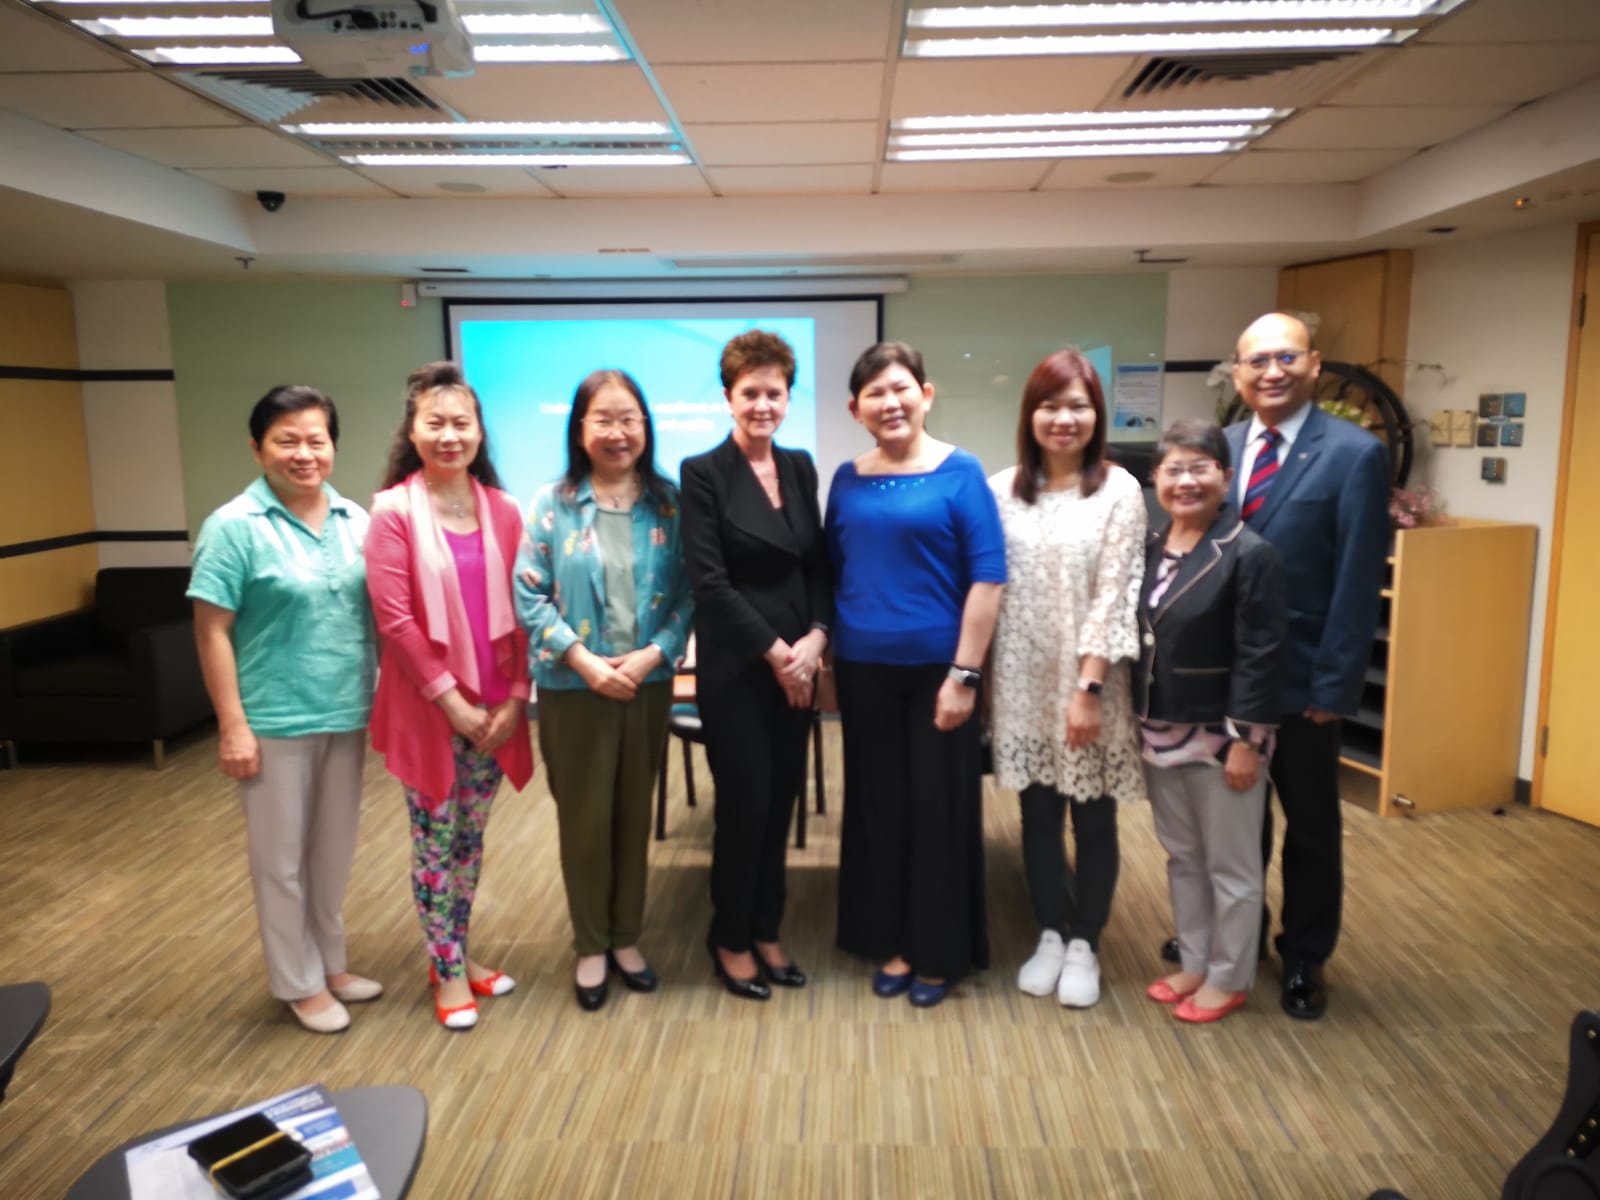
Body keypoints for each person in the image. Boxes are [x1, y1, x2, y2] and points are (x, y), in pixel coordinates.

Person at [188, 385, 380, 1035]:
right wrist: (232, 727)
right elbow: (211, 631)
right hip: (272, 719)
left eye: (316, 440)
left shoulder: (356, 520)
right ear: (257, 447)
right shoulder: (234, 526)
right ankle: (297, 982)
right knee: (281, 860)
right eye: (286, 440)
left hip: (346, 709)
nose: (304, 453)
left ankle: (330, 963)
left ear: (333, 446)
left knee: (332, 852)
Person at [1217, 312, 1389, 1020]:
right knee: (1234, 821)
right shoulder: (1222, 448)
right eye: (1257, 360)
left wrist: (1336, 686)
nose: (1272, 371)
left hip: (1303, 678)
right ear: (1238, 374)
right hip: (1224, 677)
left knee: (1310, 826)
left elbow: (1357, 581)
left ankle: (1305, 955)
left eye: (1286, 357)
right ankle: (1239, 933)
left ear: (1314, 364)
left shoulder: (1355, 454)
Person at [826, 342, 1006, 1008]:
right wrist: (828, 662)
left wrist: (965, 675)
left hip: (940, 672)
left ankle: (938, 951)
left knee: (939, 811)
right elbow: (837, 571)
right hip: (863, 669)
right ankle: (892, 940)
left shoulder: (962, 473)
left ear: (925, 395)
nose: (890, 402)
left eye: (900, 388)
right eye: (874, 393)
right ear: (856, 409)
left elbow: (989, 577)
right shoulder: (846, 478)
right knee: (879, 809)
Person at [514, 369, 693, 1013]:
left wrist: (653, 655)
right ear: (579, 429)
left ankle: (626, 937)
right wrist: (586, 663)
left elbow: (690, 591)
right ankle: (590, 943)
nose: (618, 433)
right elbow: (529, 594)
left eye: (629, 419)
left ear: (646, 426)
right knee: (584, 821)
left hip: (647, 683)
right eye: (604, 420)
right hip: (574, 686)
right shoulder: (551, 502)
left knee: (633, 815)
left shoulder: (671, 504)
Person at [365, 362, 534, 1031]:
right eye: (434, 423)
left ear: (479, 431)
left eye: (461, 423)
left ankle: (457, 953)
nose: (449, 435)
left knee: (469, 840)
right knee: (435, 841)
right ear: (412, 431)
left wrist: (515, 698)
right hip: (430, 710)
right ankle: (448, 970)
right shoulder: (392, 511)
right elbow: (395, 621)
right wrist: (451, 703)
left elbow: (525, 611)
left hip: (495, 709)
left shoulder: (504, 510)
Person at [987, 350, 1147, 1010]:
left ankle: (1086, 942)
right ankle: (1051, 931)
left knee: (1094, 816)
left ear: (1096, 415)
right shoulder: (1000, 491)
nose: (1063, 419)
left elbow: (1116, 594)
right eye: (1050, 406)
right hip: (1021, 679)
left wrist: (1088, 690)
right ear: (1030, 415)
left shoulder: (1119, 491)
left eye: (1078, 406)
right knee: (1037, 816)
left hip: (1090, 681)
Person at [680, 330, 831, 1002]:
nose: (762, 404)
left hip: (799, 665)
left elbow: (817, 563)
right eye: (750, 393)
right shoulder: (703, 473)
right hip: (740, 668)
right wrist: (777, 654)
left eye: (774, 392)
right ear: (728, 397)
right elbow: (710, 584)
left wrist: (817, 640)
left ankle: (767, 928)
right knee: (746, 805)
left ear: (788, 398)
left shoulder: (799, 466)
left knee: (782, 802)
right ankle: (731, 936)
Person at [1137, 419, 1286, 1024]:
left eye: (1200, 468)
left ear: (1226, 477)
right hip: (1160, 729)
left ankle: (1229, 976)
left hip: (1223, 737)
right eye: (1174, 469)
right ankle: (1196, 961)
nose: (1186, 481)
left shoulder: (1250, 553)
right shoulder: (1151, 546)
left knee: (1233, 866)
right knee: (1183, 856)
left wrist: (1248, 740)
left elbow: (1261, 655)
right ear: (1156, 478)